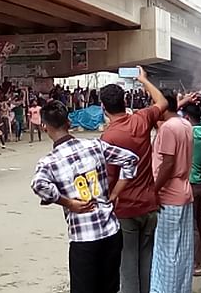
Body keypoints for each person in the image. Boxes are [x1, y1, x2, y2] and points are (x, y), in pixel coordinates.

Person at [31, 100, 139, 293]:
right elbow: (130, 159)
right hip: (111, 232)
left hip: (83, 239)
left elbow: (39, 185)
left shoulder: (49, 162)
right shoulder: (95, 146)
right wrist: (115, 193)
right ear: (69, 123)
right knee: (110, 288)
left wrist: (67, 203)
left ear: (45, 127)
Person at [99, 66, 167, 293]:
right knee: (145, 261)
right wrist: (143, 80)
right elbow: (162, 103)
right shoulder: (141, 119)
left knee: (128, 266)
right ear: (125, 100)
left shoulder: (108, 137)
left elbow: (109, 178)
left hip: (126, 208)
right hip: (149, 205)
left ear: (103, 108)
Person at [150, 89, 194, 293]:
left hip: (169, 196)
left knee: (167, 250)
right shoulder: (185, 123)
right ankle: (181, 288)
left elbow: (167, 163)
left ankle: (165, 289)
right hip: (185, 191)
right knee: (183, 248)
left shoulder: (168, 128)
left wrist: (154, 190)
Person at [183, 102, 201, 277]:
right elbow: (199, 119)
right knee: (199, 221)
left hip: (191, 183)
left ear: (187, 118)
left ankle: (195, 264)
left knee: (191, 225)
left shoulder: (190, 133)